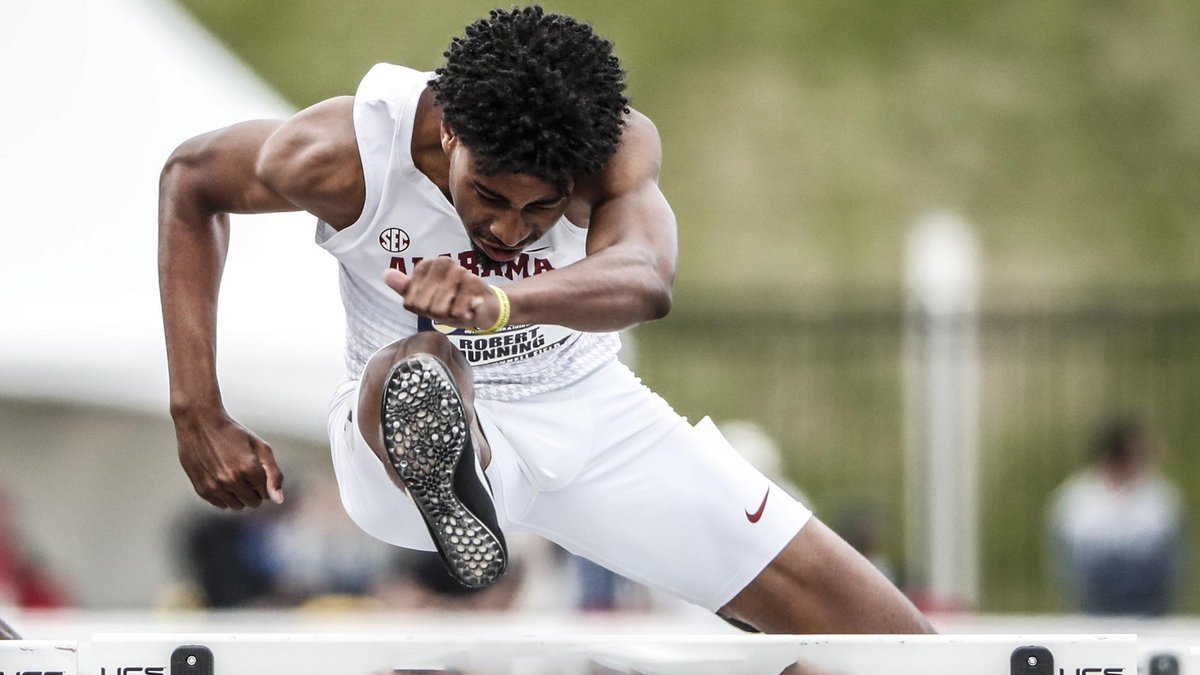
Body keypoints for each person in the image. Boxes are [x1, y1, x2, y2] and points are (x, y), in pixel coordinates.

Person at [159, 6, 931, 634]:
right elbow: (191, 180)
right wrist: (198, 407)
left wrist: (497, 301)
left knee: (887, 641)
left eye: (542, 208)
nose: (508, 229)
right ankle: (458, 459)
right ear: (450, 132)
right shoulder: (345, 151)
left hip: (593, 417)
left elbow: (647, 275)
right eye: (489, 196)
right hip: (390, 442)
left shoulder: (613, 147)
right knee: (418, 361)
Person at [1048, 419, 1186, 616]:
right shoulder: (1078, 500)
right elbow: (1070, 567)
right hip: (1095, 610)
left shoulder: (1160, 498)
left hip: (1149, 611)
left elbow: (1172, 563)